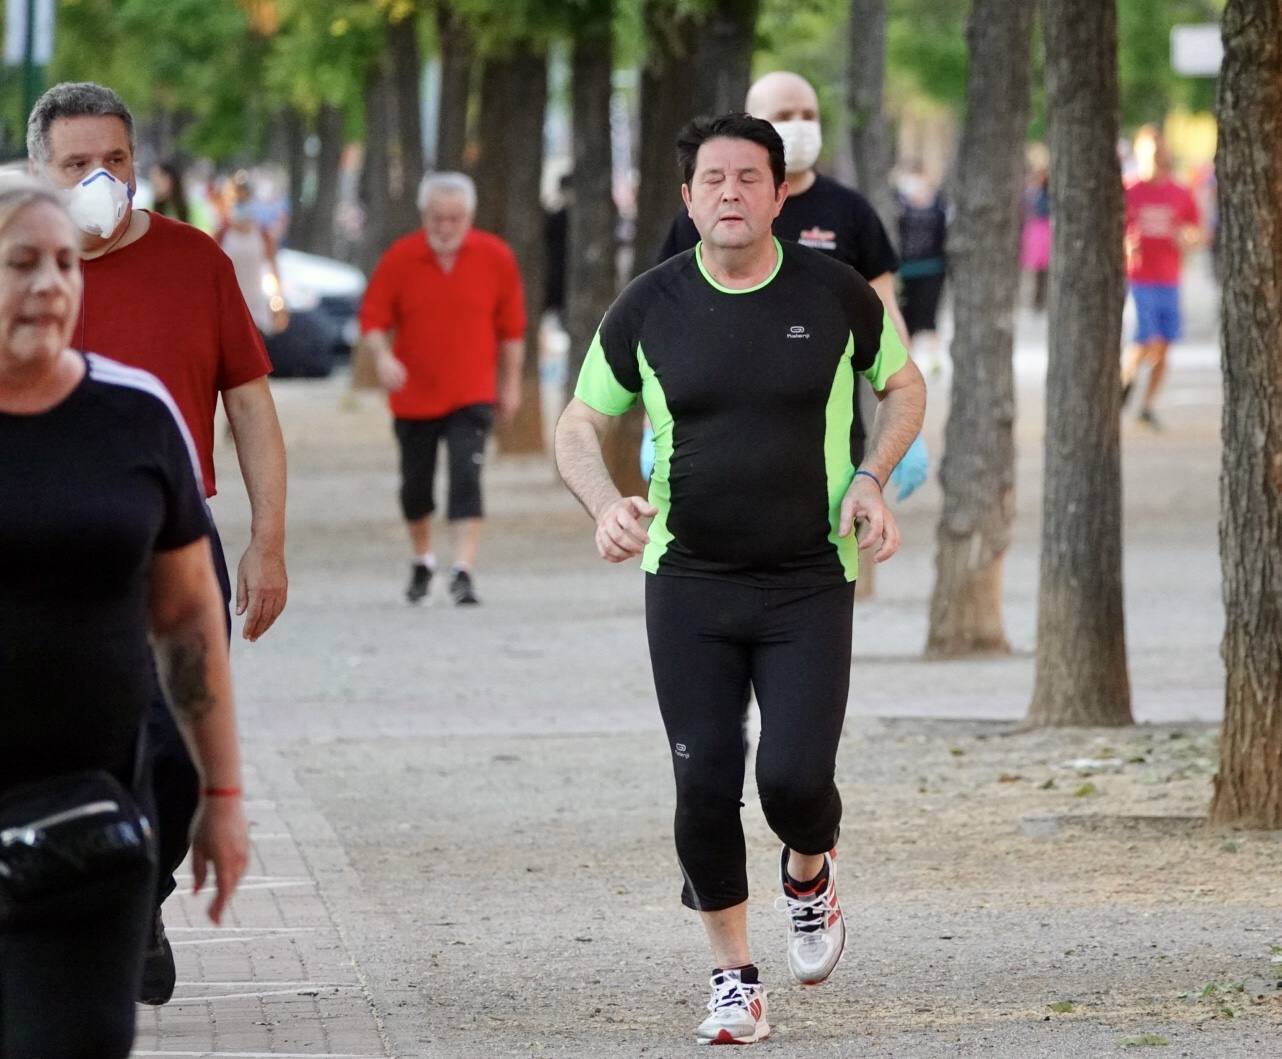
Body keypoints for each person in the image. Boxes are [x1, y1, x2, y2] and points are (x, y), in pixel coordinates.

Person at [555, 114, 926, 1045]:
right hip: (688, 579)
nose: (730, 193)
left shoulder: (836, 294)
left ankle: (810, 870)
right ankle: (733, 978)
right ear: (687, 199)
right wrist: (604, 502)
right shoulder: (649, 306)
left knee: (796, 778)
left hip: (809, 577)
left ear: (778, 191)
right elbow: (577, 424)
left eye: (748, 178)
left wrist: (873, 479)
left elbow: (907, 384)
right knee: (703, 781)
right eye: (712, 179)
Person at [27, 80, 287, 1005]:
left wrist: (268, 540)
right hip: (43, 550)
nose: (101, 178)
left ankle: (144, 886)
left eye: (116, 160)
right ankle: (88, 914)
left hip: (172, 542)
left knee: (175, 747)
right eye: (77, 164)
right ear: (38, 173)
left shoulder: (195, 261)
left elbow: (249, 401)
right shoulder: (19, 270)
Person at [0, 179, 248, 1058]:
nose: (50, 285)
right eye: (21, 263)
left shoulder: (135, 415)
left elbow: (187, 623)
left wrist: (220, 795)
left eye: (65, 263)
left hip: (91, 820)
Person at [360, 171, 525, 607]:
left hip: (472, 392)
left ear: (469, 217)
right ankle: (422, 557)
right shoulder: (400, 258)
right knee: (416, 486)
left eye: (454, 219)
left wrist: (511, 385)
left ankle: (462, 569)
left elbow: (512, 332)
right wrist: (383, 357)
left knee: (466, 476)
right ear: (424, 216)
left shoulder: (495, 257)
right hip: (413, 395)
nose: (446, 228)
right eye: (437, 219)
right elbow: (373, 320)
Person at [1120, 125, 1202, 430]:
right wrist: (1124, 243)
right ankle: (1123, 381)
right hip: (1139, 278)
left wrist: (1189, 239)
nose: (1157, 157)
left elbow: (1197, 231)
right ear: (1140, 153)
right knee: (1145, 340)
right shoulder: (1128, 190)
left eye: (1160, 151)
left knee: (1164, 347)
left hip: (1169, 278)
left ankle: (1147, 405)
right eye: (1151, 152)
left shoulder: (1180, 192)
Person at [219, 172, 288, 339]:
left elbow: (273, 270)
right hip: (227, 311)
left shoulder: (262, 235)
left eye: (245, 198)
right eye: (237, 199)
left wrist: (279, 306)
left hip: (256, 310)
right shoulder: (222, 235)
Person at [895, 162, 948, 369]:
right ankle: (909, 362)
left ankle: (935, 363)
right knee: (907, 317)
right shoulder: (898, 204)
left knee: (931, 317)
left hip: (933, 268)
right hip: (906, 269)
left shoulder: (938, 203)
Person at [1020, 166, 1051, 311]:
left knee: (1042, 272)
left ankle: (1040, 300)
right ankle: (1038, 300)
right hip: (1040, 234)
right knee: (1040, 272)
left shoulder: (1041, 196)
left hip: (1042, 234)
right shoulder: (1036, 195)